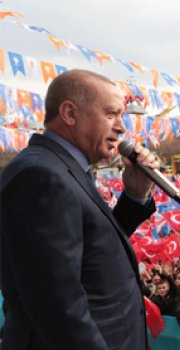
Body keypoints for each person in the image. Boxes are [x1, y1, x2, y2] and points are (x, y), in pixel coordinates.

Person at [0, 69, 158, 350]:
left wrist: (135, 195)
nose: (121, 128)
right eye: (111, 114)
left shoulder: (65, 168)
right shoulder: (41, 175)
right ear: (70, 114)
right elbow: (57, 306)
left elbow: (94, 249)